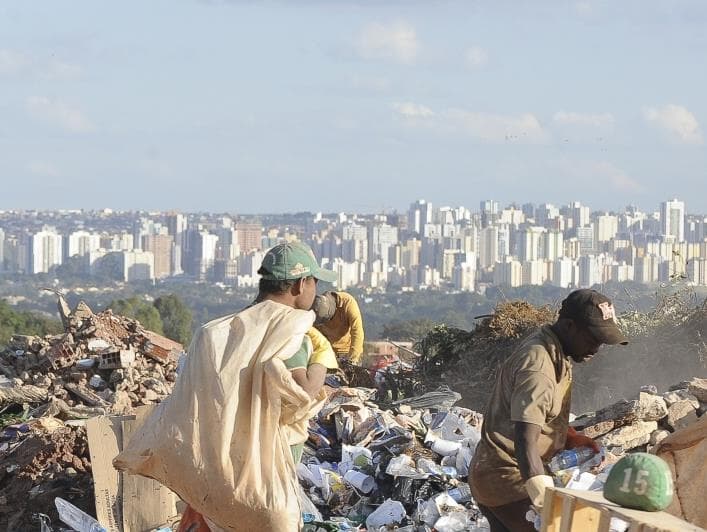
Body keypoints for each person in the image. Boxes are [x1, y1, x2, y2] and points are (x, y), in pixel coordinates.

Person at [114, 241, 338, 532]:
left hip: (215, 470)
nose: (316, 291)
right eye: (314, 282)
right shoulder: (289, 331)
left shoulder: (220, 331)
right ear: (299, 285)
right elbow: (303, 393)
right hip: (263, 473)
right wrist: (321, 356)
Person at [469, 289, 628, 531]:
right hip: (508, 481)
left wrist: (571, 438)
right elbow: (525, 440)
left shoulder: (555, 351)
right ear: (569, 325)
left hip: (492, 475)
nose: (596, 348)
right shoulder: (539, 366)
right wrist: (543, 500)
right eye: (593, 338)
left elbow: (541, 417)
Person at [312, 290, 364, 364]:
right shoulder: (317, 308)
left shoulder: (348, 302)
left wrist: (353, 359)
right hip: (328, 353)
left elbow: (357, 331)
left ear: (335, 308)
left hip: (347, 352)